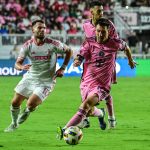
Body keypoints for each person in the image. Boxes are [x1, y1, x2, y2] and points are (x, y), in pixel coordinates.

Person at [57, 18, 136, 139]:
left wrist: (130, 60)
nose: (99, 34)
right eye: (98, 31)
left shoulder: (115, 43)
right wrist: (78, 60)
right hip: (86, 82)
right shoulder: (89, 42)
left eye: (103, 32)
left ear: (108, 31)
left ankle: (64, 129)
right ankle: (101, 113)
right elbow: (81, 54)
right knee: (89, 111)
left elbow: (126, 47)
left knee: (85, 105)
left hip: (102, 86)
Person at [4, 17, 72, 132]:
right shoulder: (27, 45)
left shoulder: (53, 44)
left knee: (30, 104)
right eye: (39, 28)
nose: (42, 30)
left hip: (46, 81)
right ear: (33, 30)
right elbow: (17, 64)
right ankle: (14, 124)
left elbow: (69, 50)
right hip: (30, 77)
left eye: (44, 28)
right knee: (15, 102)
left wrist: (63, 68)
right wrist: (21, 67)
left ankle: (29, 110)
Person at [78, 1, 119, 129]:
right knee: (87, 91)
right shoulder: (85, 25)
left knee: (104, 91)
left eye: (102, 11)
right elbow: (87, 42)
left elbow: (114, 44)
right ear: (92, 12)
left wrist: (112, 66)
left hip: (105, 62)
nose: (102, 13)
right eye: (99, 11)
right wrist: (81, 56)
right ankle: (94, 115)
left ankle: (111, 118)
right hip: (90, 63)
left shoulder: (108, 25)